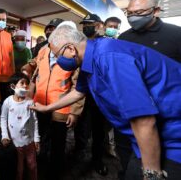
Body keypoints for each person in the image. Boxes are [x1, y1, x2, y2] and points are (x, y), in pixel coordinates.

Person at [31, 24, 181, 180]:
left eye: (57, 55)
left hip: (171, 138)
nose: (57, 60)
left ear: (70, 49)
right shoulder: (90, 56)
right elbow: (78, 92)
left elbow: (144, 120)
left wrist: (153, 175)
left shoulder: (109, 57)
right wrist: (47, 108)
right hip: (142, 136)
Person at [115, 0, 181, 179]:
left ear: (156, 10)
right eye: (130, 13)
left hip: (167, 121)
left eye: (140, 12)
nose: (133, 17)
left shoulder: (176, 35)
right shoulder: (124, 38)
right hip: (131, 114)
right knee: (128, 161)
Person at [32, 21, 84, 179]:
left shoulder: (74, 57)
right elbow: (36, 73)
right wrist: (29, 94)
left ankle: (54, 172)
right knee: (40, 138)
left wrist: (74, 112)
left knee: (58, 144)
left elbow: (79, 87)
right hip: (40, 104)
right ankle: (39, 167)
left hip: (61, 109)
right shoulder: (44, 49)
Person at [75, 13, 108, 175]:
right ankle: (78, 154)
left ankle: (97, 160)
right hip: (82, 94)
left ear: (99, 25)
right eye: (84, 24)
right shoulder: (82, 44)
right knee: (80, 128)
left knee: (98, 131)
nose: (85, 27)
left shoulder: (107, 44)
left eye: (89, 24)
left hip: (100, 97)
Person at [1, 73, 40, 180]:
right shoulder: (7, 102)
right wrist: (5, 136)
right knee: (19, 169)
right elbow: (3, 119)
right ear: (13, 86)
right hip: (15, 143)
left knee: (32, 166)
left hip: (29, 142)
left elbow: (34, 121)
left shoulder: (30, 102)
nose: (25, 86)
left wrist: (36, 138)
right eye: (21, 83)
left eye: (27, 83)